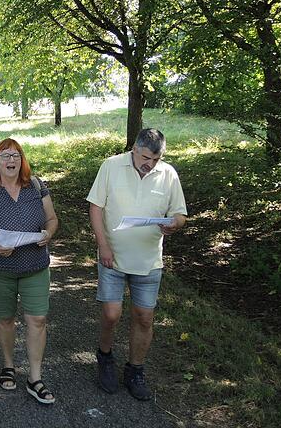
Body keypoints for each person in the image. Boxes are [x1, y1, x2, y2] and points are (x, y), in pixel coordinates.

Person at [86, 128, 187, 401]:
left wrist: (174, 224)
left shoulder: (168, 174)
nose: (149, 164)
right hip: (113, 256)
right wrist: (103, 245)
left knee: (144, 317)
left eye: (155, 159)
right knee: (111, 314)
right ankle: (105, 358)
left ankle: (135, 370)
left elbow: (179, 214)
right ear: (134, 148)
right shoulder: (111, 166)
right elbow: (96, 207)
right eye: (145, 157)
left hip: (149, 260)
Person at [0, 138, 59, 405]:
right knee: (5, 319)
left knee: (37, 319)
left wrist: (48, 233)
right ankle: (8, 365)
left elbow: (51, 219)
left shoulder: (37, 186)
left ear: (22, 160)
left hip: (35, 266)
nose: (11, 161)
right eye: (5, 156)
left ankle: (35, 378)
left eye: (16, 155)